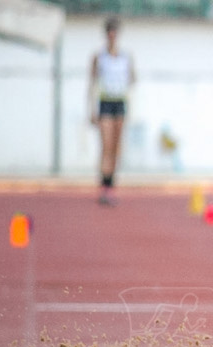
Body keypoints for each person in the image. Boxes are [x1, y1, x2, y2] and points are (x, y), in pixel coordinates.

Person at [88, 16, 135, 207]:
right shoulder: (99, 57)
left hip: (120, 102)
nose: (112, 36)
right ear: (106, 35)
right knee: (106, 146)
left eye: (115, 32)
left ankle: (112, 185)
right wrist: (91, 109)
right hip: (105, 102)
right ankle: (104, 187)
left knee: (116, 148)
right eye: (109, 32)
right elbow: (91, 84)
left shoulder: (126, 57)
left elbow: (132, 79)